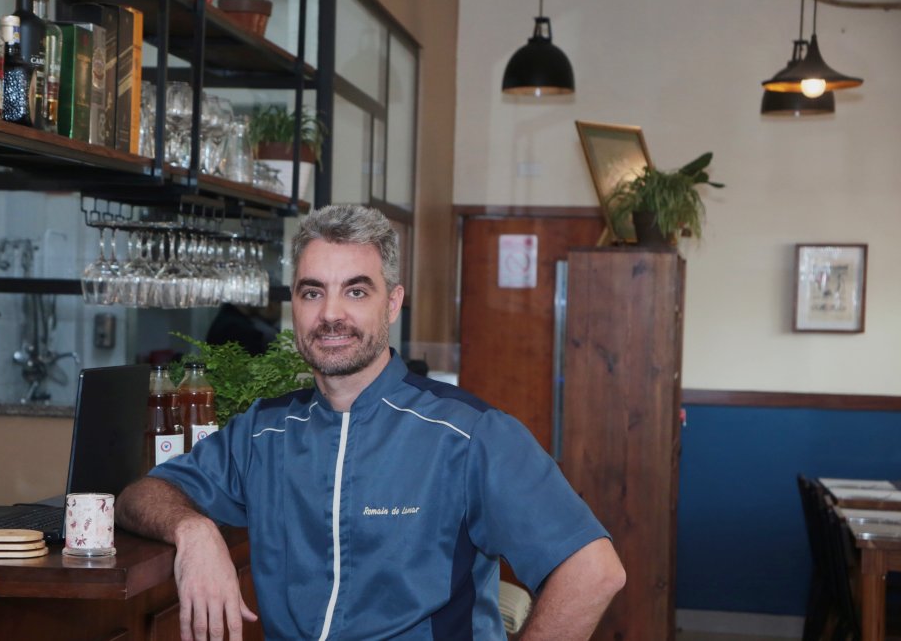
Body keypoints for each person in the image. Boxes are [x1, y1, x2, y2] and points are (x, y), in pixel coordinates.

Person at [116, 205, 625, 640]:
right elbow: (141, 495)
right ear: (293, 304)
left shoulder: (471, 434)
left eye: (356, 292)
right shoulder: (263, 432)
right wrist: (194, 530)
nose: (331, 313)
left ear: (393, 302)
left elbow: (593, 572)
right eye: (312, 292)